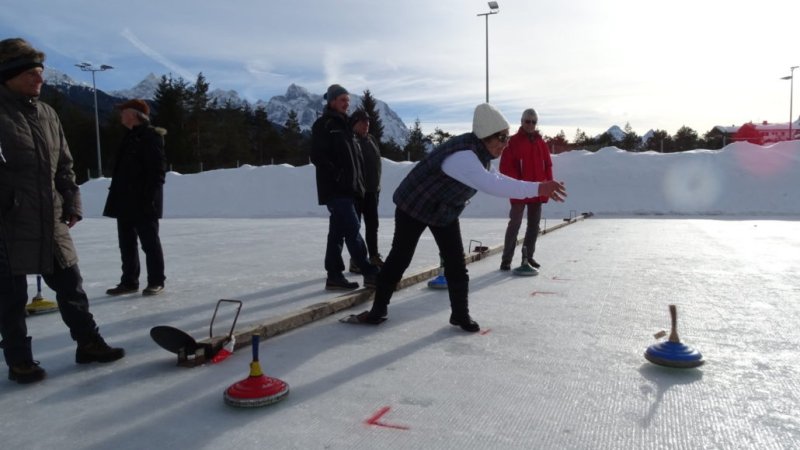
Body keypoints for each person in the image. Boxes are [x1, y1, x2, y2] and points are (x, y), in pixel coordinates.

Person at [350, 103, 566, 332]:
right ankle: (378, 310)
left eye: (507, 138)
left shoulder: (480, 154)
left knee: (456, 262)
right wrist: (539, 188)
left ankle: (460, 315)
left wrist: (538, 187)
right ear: (487, 136)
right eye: (503, 138)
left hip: (444, 209)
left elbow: (499, 179)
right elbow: (492, 185)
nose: (506, 144)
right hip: (414, 205)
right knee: (400, 257)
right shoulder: (464, 156)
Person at [0, 38, 124, 384]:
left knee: (71, 285)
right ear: (8, 75)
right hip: (8, 222)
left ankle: (89, 343)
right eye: (31, 73)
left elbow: (64, 166)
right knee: (10, 297)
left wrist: (71, 201)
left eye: (40, 73)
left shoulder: (47, 113)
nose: (39, 79)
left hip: (49, 217)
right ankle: (20, 360)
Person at [310, 84, 379, 290]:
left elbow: (354, 160)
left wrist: (358, 185)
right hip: (336, 190)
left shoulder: (346, 127)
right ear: (331, 101)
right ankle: (369, 272)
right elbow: (318, 156)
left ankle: (334, 275)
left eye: (347, 101)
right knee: (352, 229)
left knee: (337, 232)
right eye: (342, 100)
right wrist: (338, 176)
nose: (346, 104)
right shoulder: (324, 124)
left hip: (350, 189)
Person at [103, 99, 167, 296]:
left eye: (123, 112)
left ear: (133, 113)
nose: (120, 115)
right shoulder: (130, 136)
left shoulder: (150, 136)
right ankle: (129, 281)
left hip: (143, 202)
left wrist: (148, 199)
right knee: (127, 244)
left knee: (149, 243)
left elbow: (158, 172)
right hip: (124, 201)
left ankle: (157, 281)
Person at [499, 108, 553, 271]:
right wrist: (518, 185)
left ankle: (528, 257)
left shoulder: (541, 143)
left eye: (533, 122)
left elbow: (548, 166)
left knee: (534, 224)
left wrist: (546, 187)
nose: (530, 124)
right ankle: (506, 259)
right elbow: (505, 166)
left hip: (536, 190)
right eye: (527, 121)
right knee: (515, 223)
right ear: (521, 122)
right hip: (519, 191)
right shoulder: (513, 142)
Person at [348, 109, 383, 273]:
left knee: (372, 225)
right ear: (354, 123)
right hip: (357, 192)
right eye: (362, 121)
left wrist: (377, 187)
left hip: (372, 191)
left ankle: (374, 255)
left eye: (368, 121)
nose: (366, 124)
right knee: (355, 227)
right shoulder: (351, 140)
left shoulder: (371, 139)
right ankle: (356, 260)